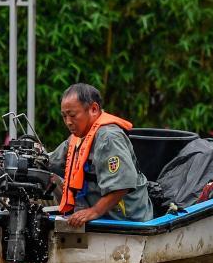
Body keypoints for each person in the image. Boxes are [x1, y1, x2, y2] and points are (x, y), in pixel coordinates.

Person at [48, 83, 154, 227]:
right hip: (94, 211)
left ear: (93, 109)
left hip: (124, 220)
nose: (68, 122)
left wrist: (94, 211)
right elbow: (51, 161)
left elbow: (122, 184)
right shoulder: (77, 138)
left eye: (72, 115)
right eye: (64, 116)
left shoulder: (109, 137)